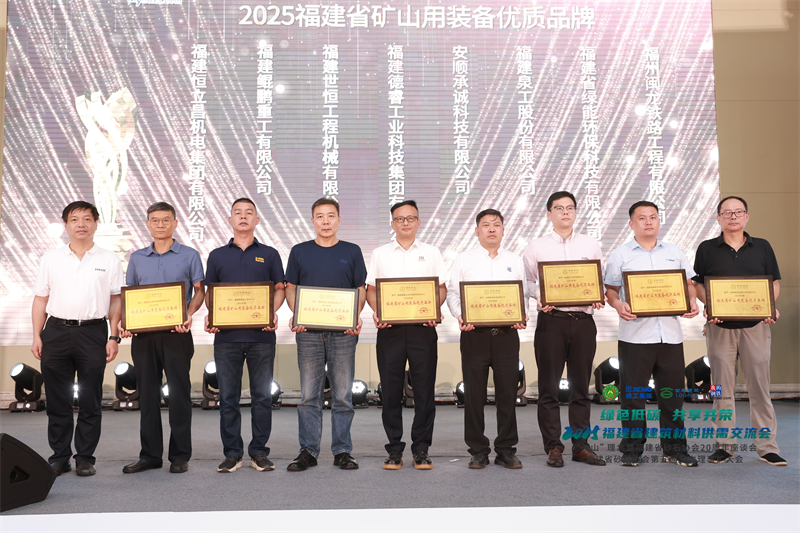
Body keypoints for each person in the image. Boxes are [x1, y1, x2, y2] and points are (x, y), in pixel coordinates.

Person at [604, 201, 700, 467]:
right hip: (635, 337)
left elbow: (689, 285)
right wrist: (617, 304)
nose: (648, 221)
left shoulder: (674, 252)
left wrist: (692, 300)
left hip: (670, 336)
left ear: (659, 221)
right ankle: (632, 449)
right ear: (631, 223)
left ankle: (675, 449)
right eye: (642, 218)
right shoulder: (620, 254)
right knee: (633, 397)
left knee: (672, 398)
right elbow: (611, 290)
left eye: (653, 217)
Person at [692, 196, 786, 466]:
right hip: (719, 328)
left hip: (756, 326)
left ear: (746, 216)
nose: (733, 217)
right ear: (718, 218)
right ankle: (724, 446)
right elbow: (698, 284)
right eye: (727, 213)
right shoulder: (707, 248)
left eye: (738, 212)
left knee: (760, 388)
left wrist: (769, 306)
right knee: (721, 390)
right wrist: (709, 305)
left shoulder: (762, 246)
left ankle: (767, 447)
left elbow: (774, 283)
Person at [31, 201, 123, 477]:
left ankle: (85, 457)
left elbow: (116, 300)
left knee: (90, 398)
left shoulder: (109, 259)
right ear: (66, 225)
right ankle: (60, 457)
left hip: (93, 332)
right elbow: (40, 299)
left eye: (87, 219)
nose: (81, 224)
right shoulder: (50, 258)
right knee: (57, 399)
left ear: (96, 223)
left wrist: (114, 336)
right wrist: (36, 335)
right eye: (74, 219)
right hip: (56, 332)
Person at [120, 202, 205, 474]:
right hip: (144, 336)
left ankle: (180, 455)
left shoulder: (190, 255)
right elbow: (130, 294)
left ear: (175, 223)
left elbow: (199, 291)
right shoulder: (136, 257)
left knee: (178, 395)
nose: (160, 224)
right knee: (146, 395)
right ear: (148, 225)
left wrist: (189, 314)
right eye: (155, 220)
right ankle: (150, 455)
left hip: (177, 334)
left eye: (166, 220)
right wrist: (125, 322)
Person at [522, 191, 606, 468]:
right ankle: (553, 447)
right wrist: (540, 295)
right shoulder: (536, 247)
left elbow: (597, 278)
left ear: (576, 212)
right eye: (559, 208)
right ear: (549, 214)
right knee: (549, 388)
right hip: (552, 322)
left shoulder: (590, 244)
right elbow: (528, 282)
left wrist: (597, 293)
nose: (565, 212)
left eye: (570, 207)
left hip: (583, 322)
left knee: (581, 387)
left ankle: (581, 446)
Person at [284, 197, 367, 471]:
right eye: (320, 216)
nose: (326, 221)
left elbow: (360, 288)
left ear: (339, 220)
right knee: (309, 395)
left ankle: (342, 450)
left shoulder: (352, 251)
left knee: (342, 395)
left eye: (331, 216)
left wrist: (355, 316)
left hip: (343, 333)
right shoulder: (299, 251)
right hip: (308, 333)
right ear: (312, 221)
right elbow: (290, 287)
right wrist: (297, 314)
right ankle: (308, 450)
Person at [204, 198, 286, 473]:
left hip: (261, 336)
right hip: (226, 338)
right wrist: (212, 314)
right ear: (230, 220)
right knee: (228, 398)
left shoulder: (270, 254)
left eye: (249, 212)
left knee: (262, 397)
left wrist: (271, 313)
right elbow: (210, 293)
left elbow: (279, 289)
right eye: (237, 213)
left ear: (256, 220)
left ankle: (259, 452)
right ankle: (232, 453)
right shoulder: (217, 255)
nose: (243, 216)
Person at [366, 200, 448, 470]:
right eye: (399, 219)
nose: (405, 223)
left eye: (410, 218)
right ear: (392, 224)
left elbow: (441, 288)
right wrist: (379, 312)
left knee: (423, 390)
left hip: (423, 329)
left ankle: (421, 448)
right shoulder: (380, 253)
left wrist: (434, 309)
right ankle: (394, 448)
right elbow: (371, 290)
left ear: (418, 222)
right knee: (390, 391)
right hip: (390, 330)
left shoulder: (432, 252)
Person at [446, 209, 529, 470]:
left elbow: (523, 294)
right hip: (475, 336)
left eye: (496, 224)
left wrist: (522, 315)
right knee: (474, 395)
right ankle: (478, 450)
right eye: (485, 225)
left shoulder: (515, 259)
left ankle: (506, 449)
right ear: (477, 230)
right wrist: (460, 315)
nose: (491, 229)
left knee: (508, 393)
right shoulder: (464, 259)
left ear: (503, 230)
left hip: (507, 336)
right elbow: (453, 294)